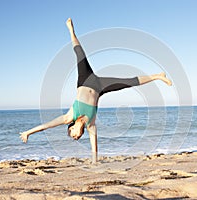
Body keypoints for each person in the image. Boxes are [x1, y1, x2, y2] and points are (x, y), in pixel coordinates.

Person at [20, 18, 172, 163]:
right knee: (128, 82)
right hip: (99, 87)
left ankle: (71, 31)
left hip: (85, 80)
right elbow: (94, 145)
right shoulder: (90, 125)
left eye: (72, 135)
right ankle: (158, 76)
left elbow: (46, 125)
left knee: (79, 54)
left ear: (71, 127)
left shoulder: (69, 117)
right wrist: (94, 161)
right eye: (76, 138)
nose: (75, 137)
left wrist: (28, 132)